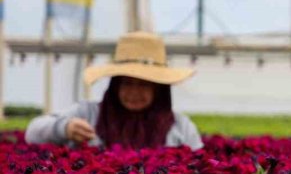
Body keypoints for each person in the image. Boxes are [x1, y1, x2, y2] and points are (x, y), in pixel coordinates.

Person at [25, 31, 203, 150]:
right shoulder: (88, 113)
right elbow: (32, 132)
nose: (133, 92)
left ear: (159, 89)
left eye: (144, 84)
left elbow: (200, 163)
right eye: (126, 83)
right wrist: (64, 128)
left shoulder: (180, 127)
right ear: (115, 85)